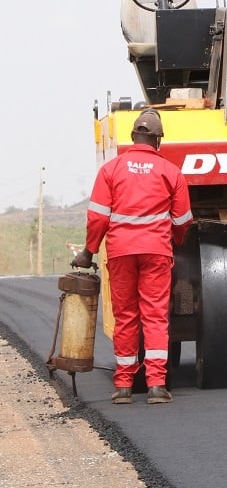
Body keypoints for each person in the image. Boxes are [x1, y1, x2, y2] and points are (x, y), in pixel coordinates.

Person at [71, 109, 192, 405]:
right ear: (158, 140)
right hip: (156, 254)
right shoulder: (171, 172)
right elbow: (183, 220)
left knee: (125, 316)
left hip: (121, 253)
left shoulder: (111, 170)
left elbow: (97, 217)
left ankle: (124, 385)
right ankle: (156, 386)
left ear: (132, 136)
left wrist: (89, 251)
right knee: (155, 317)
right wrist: (174, 240)